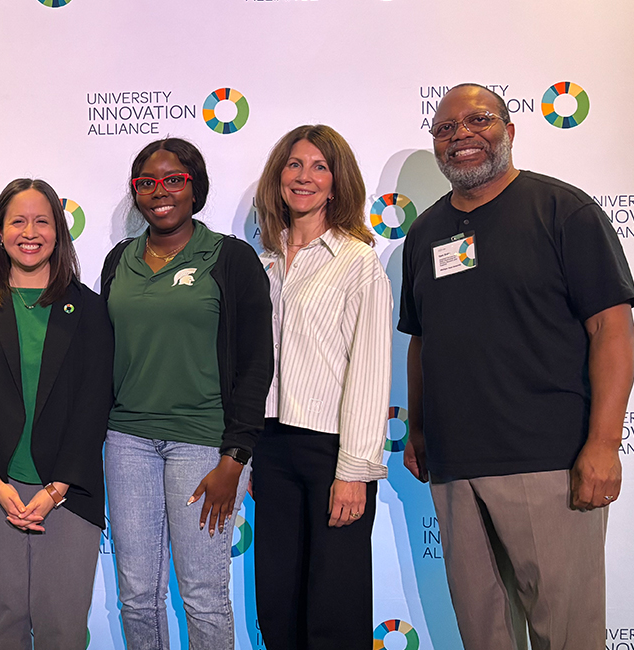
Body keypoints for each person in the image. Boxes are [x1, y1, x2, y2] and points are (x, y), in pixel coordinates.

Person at [398, 83, 634, 650]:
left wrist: (603, 443)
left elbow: (612, 327)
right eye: (446, 128)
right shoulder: (425, 232)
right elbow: (421, 340)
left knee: (567, 636)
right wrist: (421, 429)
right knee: (485, 636)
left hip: (548, 462)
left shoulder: (563, 210)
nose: (462, 136)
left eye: (477, 120)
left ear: (510, 129)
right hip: (456, 468)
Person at [100, 138, 273, 650]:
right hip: (127, 442)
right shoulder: (119, 260)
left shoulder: (231, 259)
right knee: (137, 596)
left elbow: (255, 363)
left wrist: (235, 457)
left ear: (195, 186)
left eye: (173, 179)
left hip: (203, 447)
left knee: (202, 595)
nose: (160, 191)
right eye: (147, 182)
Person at [0, 178, 113, 650]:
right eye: (18, 220)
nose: (30, 231)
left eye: (42, 220)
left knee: (62, 629)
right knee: (5, 627)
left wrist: (57, 488)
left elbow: (92, 406)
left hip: (67, 490)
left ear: (58, 231)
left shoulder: (88, 310)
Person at [250, 125, 392, 649]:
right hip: (269, 448)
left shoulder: (358, 263)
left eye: (318, 167)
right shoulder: (260, 263)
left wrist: (354, 471)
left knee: (335, 607)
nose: (304, 177)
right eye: (294, 165)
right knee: (278, 605)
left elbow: (371, 372)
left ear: (337, 184)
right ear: (278, 178)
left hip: (333, 451)